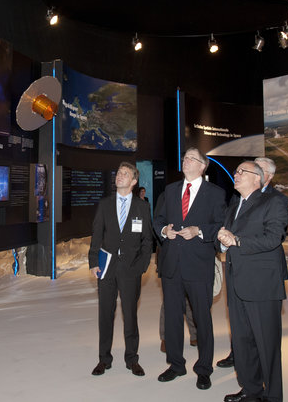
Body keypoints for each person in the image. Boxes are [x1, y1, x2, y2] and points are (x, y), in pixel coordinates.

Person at [153, 147, 226, 390]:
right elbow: (159, 219)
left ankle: (204, 368)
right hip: (172, 264)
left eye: (191, 159)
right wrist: (165, 231)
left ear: (203, 166)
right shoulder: (171, 190)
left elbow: (220, 225)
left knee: (202, 320)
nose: (186, 161)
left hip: (199, 265)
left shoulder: (215, 193)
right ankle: (175, 364)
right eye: (184, 158)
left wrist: (199, 231)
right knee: (173, 318)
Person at [218, 161, 288, 402]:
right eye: (236, 172)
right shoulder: (235, 204)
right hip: (237, 281)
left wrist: (237, 241)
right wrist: (222, 240)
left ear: (257, 179)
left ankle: (273, 395)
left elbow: (273, 239)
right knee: (242, 340)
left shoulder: (273, 201)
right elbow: (227, 237)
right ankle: (250, 389)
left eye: (241, 172)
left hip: (262, 284)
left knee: (266, 344)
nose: (235, 175)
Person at [88, 162, 154, 377]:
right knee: (105, 315)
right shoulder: (105, 204)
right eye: (118, 173)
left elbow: (147, 241)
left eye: (125, 174)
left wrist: (142, 266)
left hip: (131, 270)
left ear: (134, 181)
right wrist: (93, 262)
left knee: (130, 315)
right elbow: (96, 235)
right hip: (106, 268)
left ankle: (132, 359)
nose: (119, 176)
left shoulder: (142, 207)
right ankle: (103, 359)